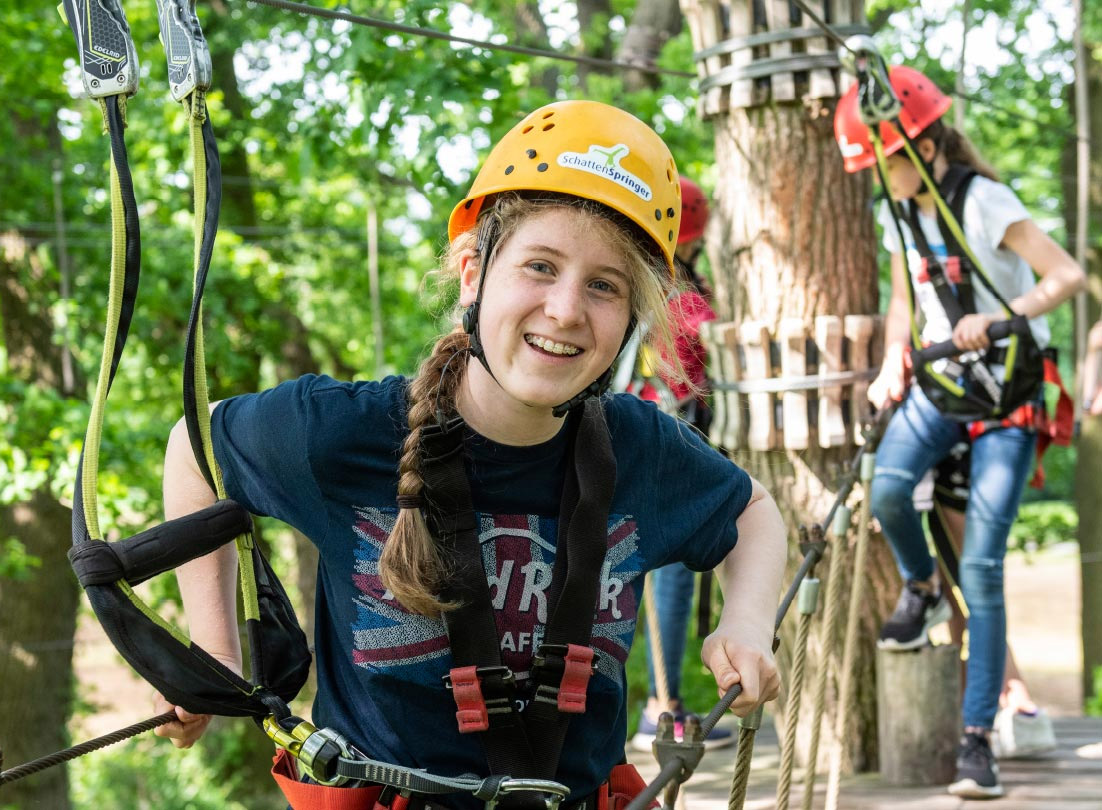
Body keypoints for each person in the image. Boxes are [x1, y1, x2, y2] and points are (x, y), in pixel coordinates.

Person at [153, 99, 787, 810]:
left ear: (633, 318)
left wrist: (747, 622)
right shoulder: (345, 433)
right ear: (472, 274)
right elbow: (194, 447)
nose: (566, 309)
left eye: (605, 286)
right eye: (540, 266)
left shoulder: (641, 449)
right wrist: (214, 649)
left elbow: (753, 511)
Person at [835, 65, 1085, 800]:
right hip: (940, 387)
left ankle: (978, 741)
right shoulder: (899, 208)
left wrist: (999, 317)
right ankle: (921, 588)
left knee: (981, 567)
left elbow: (1065, 276)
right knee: (887, 490)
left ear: (923, 146)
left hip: (1006, 395)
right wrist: (892, 359)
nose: (881, 175)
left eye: (886, 160)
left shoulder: (985, 201)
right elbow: (904, 299)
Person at [623, 177, 732, 751]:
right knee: (671, 576)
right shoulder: (681, 295)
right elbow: (704, 329)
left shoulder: (640, 285)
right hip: (671, 451)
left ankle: (661, 703)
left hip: (647, 445)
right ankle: (662, 707)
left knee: (661, 574)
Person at [915, 449, 1057, 759]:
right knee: (958, 592)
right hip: (949, 463)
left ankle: (1016, 701)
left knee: (974, 591)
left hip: (962, 462)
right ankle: (981, 706)